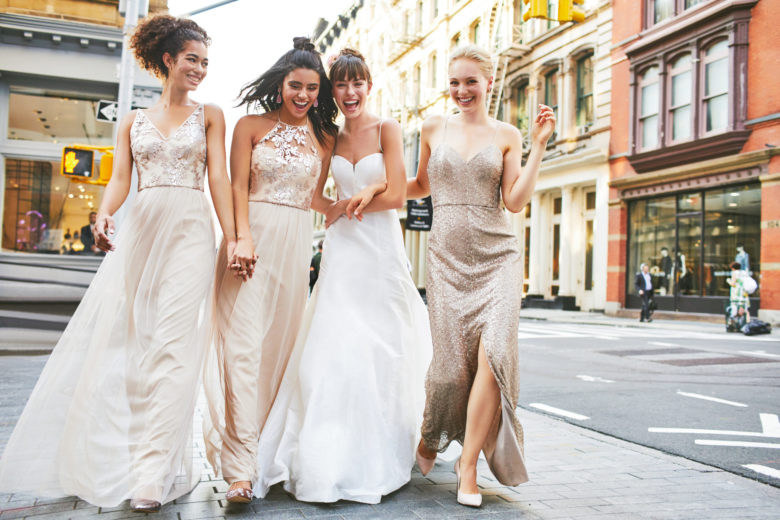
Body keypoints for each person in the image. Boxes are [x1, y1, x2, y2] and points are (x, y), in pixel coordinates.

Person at [0, 15, 236, 513]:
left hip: (191, 231)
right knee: (137, 346)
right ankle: (131, 454)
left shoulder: (211, 114)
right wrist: (105, 214)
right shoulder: (132, 120)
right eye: (192, 59)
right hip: (143, 233)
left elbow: (218, 179)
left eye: (206, 62)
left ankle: (154, 470)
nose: (200, 69)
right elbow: (120, 179)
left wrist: (233, 237)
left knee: (173, 347)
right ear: (168, 59)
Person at [252, 48, 433, 504]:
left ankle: (384, 445)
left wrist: (366, 192)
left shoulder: (388, 129)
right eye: (340, 85)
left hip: (380, 250)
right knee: (333, 347)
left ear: (369, 86)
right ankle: (327, 452)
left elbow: (397, 195)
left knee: (383, 346)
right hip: (342, 250)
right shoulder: (326, 135)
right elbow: (314, 195)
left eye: (357, 84)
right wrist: (334, 209)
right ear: (332, 91)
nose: (349, 93)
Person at [407, 45, 555, 507]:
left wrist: (539, 147)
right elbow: (416, 187)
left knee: (493, 358)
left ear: (489, 82)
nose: (461, 90)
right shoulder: (432, 127)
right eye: (454, 82)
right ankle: (432, 434)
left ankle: (468, 464)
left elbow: (514, 201)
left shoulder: (507, 134)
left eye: (470, 81)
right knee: (450, 372)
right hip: (447, 259)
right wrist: (371, 192)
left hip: (498, 258)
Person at [201, 37, 338, 504]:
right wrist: (240, 238)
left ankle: (263, 450)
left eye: (312, 88)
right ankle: (239, 470)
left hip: (296, 250)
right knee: (242, 352)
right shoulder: (250, 126)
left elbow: (317, 199)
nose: (303, 96)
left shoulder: (325, 138)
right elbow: (237, 184)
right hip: (249, 244)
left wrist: (363, 201)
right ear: (280, 84)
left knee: (278, 358)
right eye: (295, 86)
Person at [726, 261, 751, 330]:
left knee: (734, 310)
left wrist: (728, 280)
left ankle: (734, 325)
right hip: (744, 294)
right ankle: (748, 325)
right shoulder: (744, 273)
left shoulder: (735, 273)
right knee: (745, 310)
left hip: (737, 294)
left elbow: (733, 284)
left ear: (733, 268)